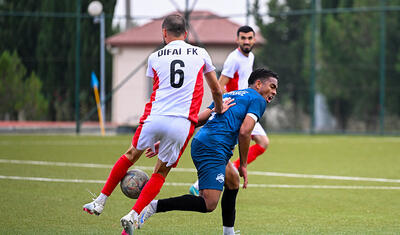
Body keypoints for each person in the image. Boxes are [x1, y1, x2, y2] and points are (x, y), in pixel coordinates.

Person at [82, 14, 225, 235]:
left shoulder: (154, 57)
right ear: (186, 34)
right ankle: (133, 214)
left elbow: (158, 88)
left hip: (154, 117)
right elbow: (216, 89)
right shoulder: (201, 54)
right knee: (160, 172)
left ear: (164, 33)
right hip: (182, 123)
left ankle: (100, 201)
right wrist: (219, 107)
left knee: (130, 154)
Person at [137, 69, 278, 235]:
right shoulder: (257, 99)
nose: (274, 92)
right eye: (272, 86)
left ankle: (228, 232)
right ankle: (153, 206)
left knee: (232, 182)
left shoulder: (230, 95)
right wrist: (244, 165)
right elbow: (245, 132)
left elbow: (201, 118)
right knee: (209, 204)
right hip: (213, 147)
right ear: (259, 84)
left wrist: (171, 138)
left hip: (205, 142)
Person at [189, 25, 271, 196]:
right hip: (236, 109)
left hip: (247, 107)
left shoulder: (251, 57)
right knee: (229, 148)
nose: (246, 41)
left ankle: (230, 171)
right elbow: (220, 84)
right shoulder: (233, 59)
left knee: (262, 143)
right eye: (243, 38)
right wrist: (218, 106)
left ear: (254, 40)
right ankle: (203, 182)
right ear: (237, 40)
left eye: (249, 38)